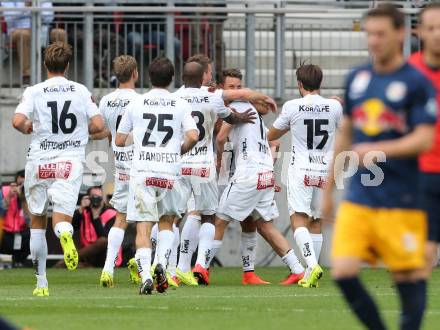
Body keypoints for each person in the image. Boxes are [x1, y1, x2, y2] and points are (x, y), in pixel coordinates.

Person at [321, 5, 437, 330]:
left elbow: (424, 139)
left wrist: (377, 149)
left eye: (381, 34)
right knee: (342, 272)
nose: (373, 41)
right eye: (369, 34)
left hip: (401, 201)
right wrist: (328, 189)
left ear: (401, 33)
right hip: (359, 198)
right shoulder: (357, 78)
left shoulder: (416, 82)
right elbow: (344, 135)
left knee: (406, 277)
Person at [12, 42, 104, 297]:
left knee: (37, 221)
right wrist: (77, 132)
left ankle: (41, 283)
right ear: (68, 65)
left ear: (45, 64)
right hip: (69, 162)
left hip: (39, 162)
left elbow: (17, 121)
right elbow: (97, 125)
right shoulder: (80, 90)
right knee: (61, 219)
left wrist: (30, 126)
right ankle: (66, 235)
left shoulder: (35, 90)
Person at [200, 77, 306, 286]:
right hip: (262, 173)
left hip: (247, 173)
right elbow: (273, 141)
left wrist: (220, 160)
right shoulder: (252, 113)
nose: (237, 91)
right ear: (223, 88)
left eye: (239, 87)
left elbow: (220, 138)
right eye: (232, 87)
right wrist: (267, 164)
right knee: (262, 225)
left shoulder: (238, 106)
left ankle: (201, 268)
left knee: (220, 219)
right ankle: (296, 270)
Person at [115, 57, 199, 295]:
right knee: (166, 224)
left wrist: (139, 139)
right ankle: (161, 264)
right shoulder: (179, 104)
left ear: (147, 77)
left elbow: (120, 140)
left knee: (143, 228)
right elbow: (193, 136)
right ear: (172, 79)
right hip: (169, 172)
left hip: (143, 172)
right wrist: (178, 150)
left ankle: (146, 277)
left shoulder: (136, 104)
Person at [172, 62, 256, 285]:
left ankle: (173, 267)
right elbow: (229, 117)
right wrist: (242, 117)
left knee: (174, 217)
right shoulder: (212, 96)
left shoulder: (175, 98)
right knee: (207, 215)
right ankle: (195, 266)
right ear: (202, 77)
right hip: (203, 165)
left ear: (183, 77)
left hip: (180, 163)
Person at [267, 64, 343, 288]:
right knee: (316, 220)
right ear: (320, 83)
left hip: (301, 169)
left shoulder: (292, 106)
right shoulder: (333, 106)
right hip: (325, 170)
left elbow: (271, 133)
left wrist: (291, 125)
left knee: (298, 219)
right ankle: (312, 271)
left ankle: (311, 266)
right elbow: (346, 128)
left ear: (299, 84)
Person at [91, 55, 140, 287]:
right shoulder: (141, 101)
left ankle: (108, 269)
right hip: (141, 166)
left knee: (120, 219)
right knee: (151, 220)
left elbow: (105, 130)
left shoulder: (106, 101)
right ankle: (143, 266)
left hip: (121, 169)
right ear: (135, 73)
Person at [408, 3, 440, 274]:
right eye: (432, 28)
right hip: (421, 171)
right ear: (419, 32)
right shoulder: (407, 73)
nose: (438, 34)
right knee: (423, 249)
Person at [1, 1, 66, 84]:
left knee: (60, 33)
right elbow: (8, 17)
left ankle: (58, 75)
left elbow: (49, 17)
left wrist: (35, 7)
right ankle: (26, 76)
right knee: (23, 35)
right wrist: (25, 7)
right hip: (17, 30)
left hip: (41, 29)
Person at [0, 170, 30, 268]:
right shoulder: (4, 191)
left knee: (34, 235)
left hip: (23, 231)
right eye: (20, 184)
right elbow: (1, 213)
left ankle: (20, 262)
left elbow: (30, 221)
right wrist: (9, 197)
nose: (22, 187)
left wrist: (23, 200)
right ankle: (8, 262)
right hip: (6, 230)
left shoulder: (32, 194)